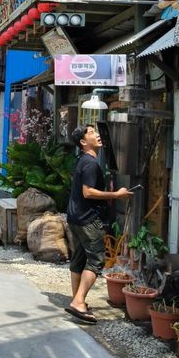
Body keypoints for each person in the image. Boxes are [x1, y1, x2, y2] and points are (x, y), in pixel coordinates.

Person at [66, 124, 132, 324]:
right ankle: (78, 302)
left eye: (95, 131)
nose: (97, 134)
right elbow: (88, 192)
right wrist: (116, 195)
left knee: (78, 259)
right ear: (84, 142)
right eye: (91, 132)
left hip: (75, 217)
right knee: (96, 261)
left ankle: (78, 300)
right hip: (87, 219)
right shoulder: (91, 164)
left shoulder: (82, 160)